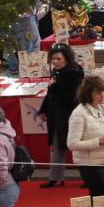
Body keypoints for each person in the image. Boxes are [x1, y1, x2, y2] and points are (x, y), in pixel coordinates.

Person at [38, 43, 84, 187]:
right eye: (53, 59)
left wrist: (54, 86)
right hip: (58, 117)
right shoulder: (59, 72)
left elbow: (70, 97)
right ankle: (55, 177)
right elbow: (51, 94)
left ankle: (89, 178)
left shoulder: (73, 73)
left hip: (70, 116)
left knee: (78, 149)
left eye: (58, 59)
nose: (55, 62)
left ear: (66, 59)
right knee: (58, 148)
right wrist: (44, 110)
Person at [68, 74, 104, 197]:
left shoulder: (99, 108)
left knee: (97, 199)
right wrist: (99, 141)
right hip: (89, 164)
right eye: (98, 92)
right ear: (88, 93)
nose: (103, 95)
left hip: (102, 158)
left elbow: (100, 127)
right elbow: (72, 144)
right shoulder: (79, 113)